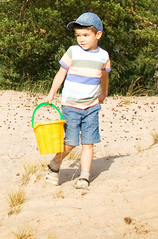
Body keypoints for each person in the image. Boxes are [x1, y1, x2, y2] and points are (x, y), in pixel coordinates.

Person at [45, 12, 110, 190]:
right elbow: (61, 73)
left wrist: (104, 93)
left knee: (88, 142)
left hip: (91, 106)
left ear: (98, 35)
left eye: (86, 35)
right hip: (71, 106)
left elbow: (104, 76)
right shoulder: (73, 51)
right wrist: (52, 93)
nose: (81, 39)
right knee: (70, 142)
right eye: (78, 35)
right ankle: (54, 163)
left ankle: (84, 177)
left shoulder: (103, 56)